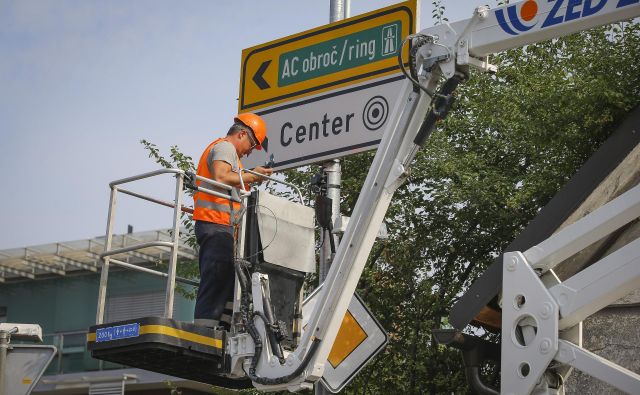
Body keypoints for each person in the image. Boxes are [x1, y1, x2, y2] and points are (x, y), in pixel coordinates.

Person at [192, 113, 273, 328]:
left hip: (221, 227)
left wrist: (248, 177)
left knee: (227, 283)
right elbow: (220, 177)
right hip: (215, 225)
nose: (249, 151)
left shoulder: (231, 156)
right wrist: (252, 176)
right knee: (216, 281)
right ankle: (204, 333)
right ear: (242, 134)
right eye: (251, 144)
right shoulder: (225, 148)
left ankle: (221, 331)